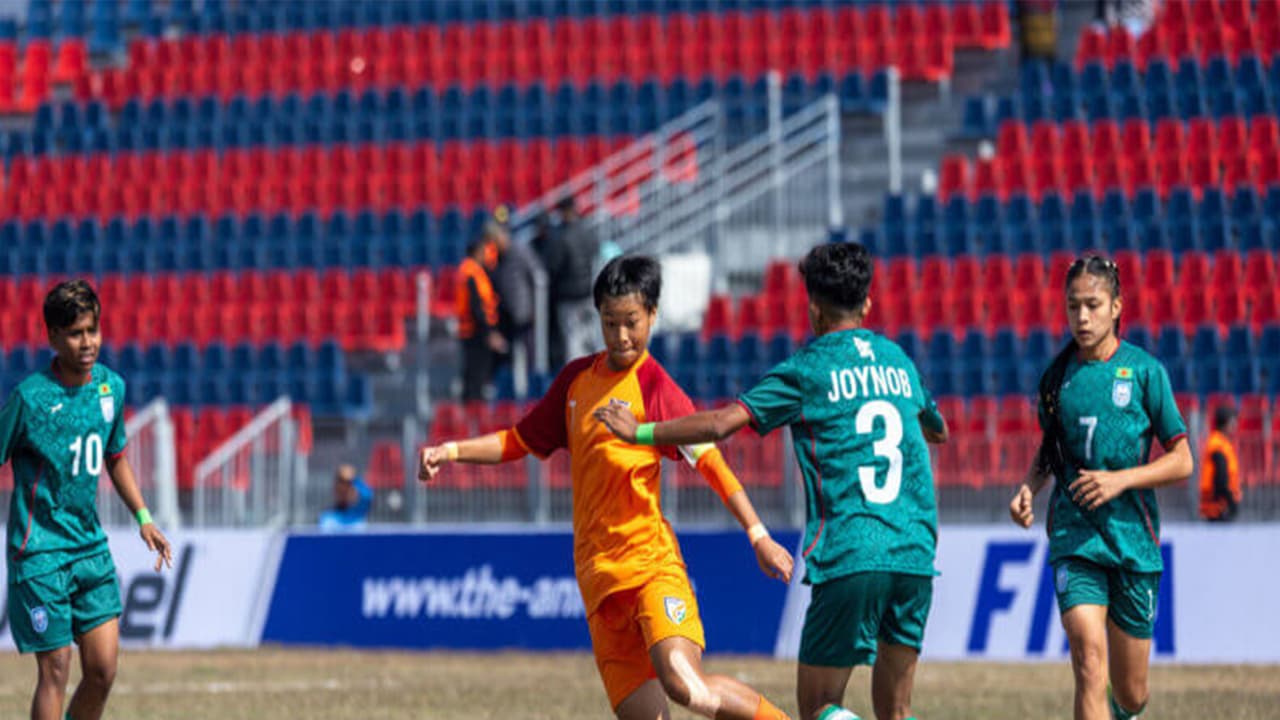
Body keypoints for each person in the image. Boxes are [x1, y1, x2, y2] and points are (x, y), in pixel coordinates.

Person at [419, 255, 796, 720]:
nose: (621, 336)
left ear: (652, 316)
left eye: (632, 323)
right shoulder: (576, 381)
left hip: (651, 567)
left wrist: (758, 536)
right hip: (598, 582)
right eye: (610, 322)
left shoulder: (656, 387)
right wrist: (451, 451)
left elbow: (712, 463)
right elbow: (518, 440)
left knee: (686, 687)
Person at [596, 242, 948, 720]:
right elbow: (938, 429)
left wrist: (638, 431)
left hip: (853, 551)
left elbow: (721, 424)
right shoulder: (899, 361)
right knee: (897, 711)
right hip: (915, 552)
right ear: (867, 304)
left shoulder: (808, 369)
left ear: (813, 309)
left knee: (820, 708)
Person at [1008, 255, 1193, 720]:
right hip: (1075, 537)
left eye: (1093, 305)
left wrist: (1120, 480)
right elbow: (1052, 451)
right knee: (1088, 660)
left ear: (1116, 307)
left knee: (1131, 693)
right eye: (1073, 307)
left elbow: (1183, 460)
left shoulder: (1146, 373)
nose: (1082, 317)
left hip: (1132, 541)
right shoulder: (1056, 379)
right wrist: (1029, 487)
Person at [0, 279, 173, 720]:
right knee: (56, 668)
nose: (87, 342)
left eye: (93, 330)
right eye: (76, 333)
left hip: (89, 548)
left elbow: (115, 458)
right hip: (38, 552)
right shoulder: (29, 398)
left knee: (102, 670)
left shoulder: (110, 388)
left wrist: (144, 517)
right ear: (53, 337)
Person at [540, 196, 601, 367]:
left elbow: (552, 265)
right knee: (590, 340)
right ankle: (595, 379)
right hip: (588, 293)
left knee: (573, 343)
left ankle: (578, 383)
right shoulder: (588, 232)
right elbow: (596, 252)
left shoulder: (561, 236)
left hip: (569, 297)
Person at [489, 215, 544, 378]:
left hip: (525, 312)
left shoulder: (520, 251)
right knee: (510, 356)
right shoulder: (498, 258)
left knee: (531, 354)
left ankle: (532, 389)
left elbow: (538, 276)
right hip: (507, 313)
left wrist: (535, 307)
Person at [456, 237, 507, 401]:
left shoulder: (470, 270)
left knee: (473, 377)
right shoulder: (471, 273)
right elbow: (476, 307)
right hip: (476, 333)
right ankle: (474, 417)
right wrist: (489, 333)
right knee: (476, 380)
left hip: (471, 330)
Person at [1199, 404, 1241, 522]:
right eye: (1233, 421)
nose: (1235, 425)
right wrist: (1230, 501)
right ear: (1226, 423)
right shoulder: (1217, 445)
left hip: (1219, 506)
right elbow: (1221, 478)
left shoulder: (1221, 443)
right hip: (1219, 508)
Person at [318, 463, 373, 532]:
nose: (345, 490)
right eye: (342, 483)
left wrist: (354, 480)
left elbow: (368, 495)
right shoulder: (328, 518)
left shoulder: (358, 515)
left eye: (349, 484)